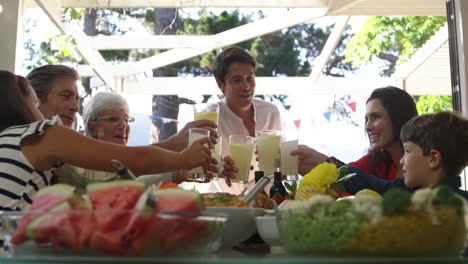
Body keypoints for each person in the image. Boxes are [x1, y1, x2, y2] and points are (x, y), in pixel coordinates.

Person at [0, 71, 215, 211]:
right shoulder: (43, 134)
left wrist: (176, 147)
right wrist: (182, 158)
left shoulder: (9, 139)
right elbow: (131, 162)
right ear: (22, 105)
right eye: (35, 103)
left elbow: (116, 168)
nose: (75, 107)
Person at [292, 86, 418, 181]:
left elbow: (357, 180)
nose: (368, 127)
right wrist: (307, 166)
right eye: (366, 119)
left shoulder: (423, 160)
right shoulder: (376, 161)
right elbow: (345, 177)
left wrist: (326, 163)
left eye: (375, 117)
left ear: (398, 117)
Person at [206, 47, 281, 194]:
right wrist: (221, 167)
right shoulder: (210, 116)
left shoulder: (271, 112)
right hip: (223, 199)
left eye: (250, 78)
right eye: (237, 80)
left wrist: (279, 159)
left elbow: (274, 168)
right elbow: (202, 163)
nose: (246, 86)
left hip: (265, 198)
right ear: (220, 84)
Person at [342, 111, 468, 199]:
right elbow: (366, 182)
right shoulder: (406, 190)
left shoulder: (460, 208)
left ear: (433, 159)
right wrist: (333, 171)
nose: (401, 161)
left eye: (407, 151)